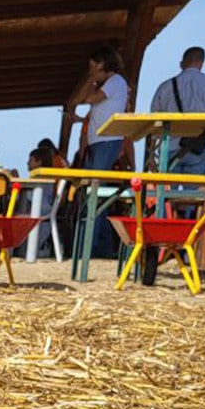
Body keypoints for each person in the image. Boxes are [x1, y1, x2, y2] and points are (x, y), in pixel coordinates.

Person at [68, 46, 129, 257]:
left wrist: (91, 79)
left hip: (107, 141)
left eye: (93, 66)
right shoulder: (112, 85)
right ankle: (100, 247)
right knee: (94, 194)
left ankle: (89, 246)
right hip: (100, 142)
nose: (91, 71)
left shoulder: (115, 82)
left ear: (103, 64)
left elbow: (88, 100)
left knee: (94, 194)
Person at [149, 46, 205, 174]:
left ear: (182, 63)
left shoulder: (165, 87)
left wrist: (151, 155)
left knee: (167, 192)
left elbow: (153, 122)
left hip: (169, 146)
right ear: (201, 63)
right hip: (200, 146)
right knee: (193, 192)